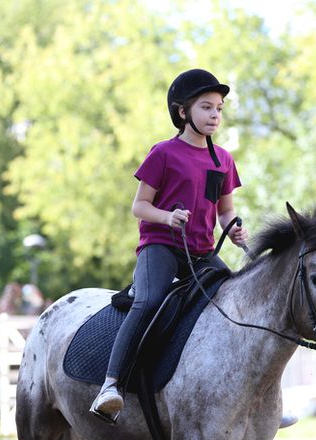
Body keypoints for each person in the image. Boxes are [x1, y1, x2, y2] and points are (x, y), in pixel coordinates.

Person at [90, 69, 248, 420]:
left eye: (219, 109)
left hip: (203, 253)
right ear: (182, 112)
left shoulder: (223, 159)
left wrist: (234, 229)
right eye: (206, 107)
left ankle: (251, 402)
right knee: (148, 302)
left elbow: (225, 211)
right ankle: (110, 384)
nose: (215, 115)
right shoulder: (163, 153)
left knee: (240, 301)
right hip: (160, 246)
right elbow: (139, 206)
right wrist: (167, 217)